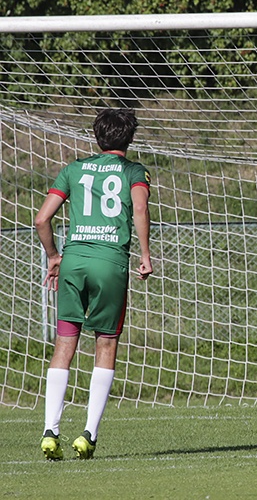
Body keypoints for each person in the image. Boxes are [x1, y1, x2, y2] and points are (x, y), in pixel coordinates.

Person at [35, 108, 153, 460]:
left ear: (96, 136)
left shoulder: (73, 169)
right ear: (129, 139)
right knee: (106, 343)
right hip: (109, 263)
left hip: (73, 262)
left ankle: (50, 431)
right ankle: (88, 434)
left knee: (64, 344)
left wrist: (55, 256)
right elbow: (140, 211)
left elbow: (42, 219)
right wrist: (146, 255)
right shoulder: (134, 171)